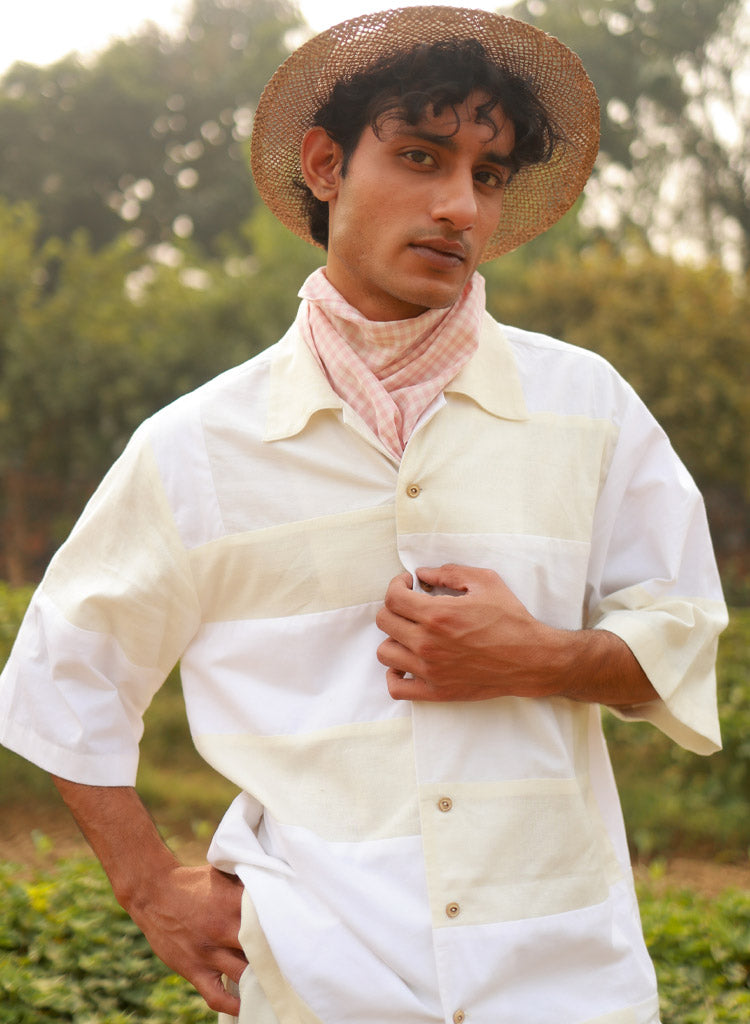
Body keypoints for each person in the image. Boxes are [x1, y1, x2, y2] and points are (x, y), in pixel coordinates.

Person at [0, 7, 727, 1024]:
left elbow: (684, 629)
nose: (460, 206)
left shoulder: (587, 407)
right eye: (422, 156)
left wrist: (541, 657)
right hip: (317, 988)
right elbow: (64, 673)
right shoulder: (196, 446)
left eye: (488, 175)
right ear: (326, 164)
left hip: (566, 984)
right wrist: (150, 889)